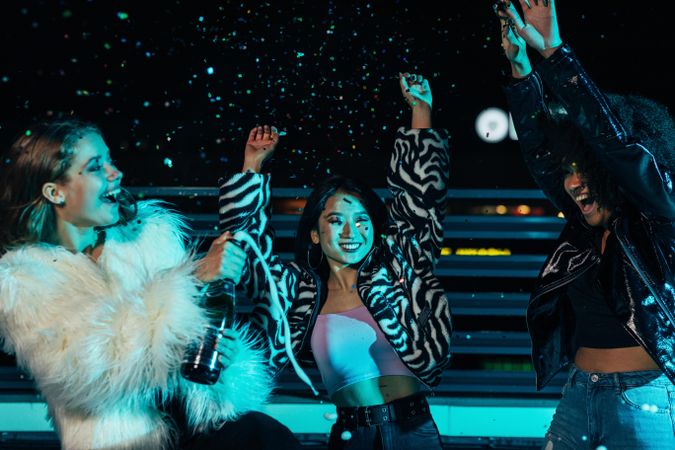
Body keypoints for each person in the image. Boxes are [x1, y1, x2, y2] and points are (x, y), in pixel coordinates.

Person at [0, 119, 301, 450]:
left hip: (202, 425)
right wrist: (191, 280)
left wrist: (222, 353)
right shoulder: (21, 279)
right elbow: (88, 370)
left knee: (265, 434)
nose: (116, 173)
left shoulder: (149, 236)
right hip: (126, 442)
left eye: (111, 160)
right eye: (97, 167)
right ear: (55, 191)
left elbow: (195, 329)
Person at [217, 73, 453, 450]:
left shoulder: (397, 267)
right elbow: (245, 256)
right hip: (350, 435)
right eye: (335, 220)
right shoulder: (297, 290)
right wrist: (252, 167)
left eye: (362, 221)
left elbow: (421, 203)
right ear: (314, 232)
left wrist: (421, 111)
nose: (351, 232)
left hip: (415, 431)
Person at [494, 1, 675, 448]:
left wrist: (555, 52)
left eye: (584, 169)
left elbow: (613, 142)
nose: (572, 183)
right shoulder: (583, 229)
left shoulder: (657, 215)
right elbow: (538, 153)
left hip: (642, 399)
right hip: (578, 393)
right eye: (568, 169)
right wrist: (521, 72)